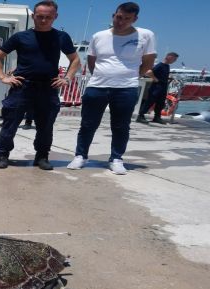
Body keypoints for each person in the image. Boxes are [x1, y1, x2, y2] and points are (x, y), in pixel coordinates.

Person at [66, 2, 156, 175]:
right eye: (118, 17)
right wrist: (102, 75)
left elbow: (148, 61)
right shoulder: (99, 36)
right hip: (97, 87)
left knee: (121, 126)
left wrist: (131, 76)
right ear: (113, 15)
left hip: (126, 88)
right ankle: (80, 155)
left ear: (135, 19)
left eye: (127, 19)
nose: (121, 22)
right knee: (88, 124)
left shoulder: (146, 35)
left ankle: (116, 158)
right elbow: (92, 61)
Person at [0, 0, 80, 170]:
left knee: (46, 126)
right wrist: (3, 77)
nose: (43, 20)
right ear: (33, 16)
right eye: (40, 17)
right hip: (22, 87)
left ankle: (42, 156)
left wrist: (66, 78)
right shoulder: (20, 37)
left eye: (48, 17)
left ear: (55, 17)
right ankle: (2, 154)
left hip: (48, 88)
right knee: (10, 123)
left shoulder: (61, 37)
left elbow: (75, 60)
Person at [136, 52, 179, 124]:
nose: (174, 61)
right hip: (156, 87)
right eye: (174, 59)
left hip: (163, 87)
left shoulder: (167, 66)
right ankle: (140, 116)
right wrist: (155, 79)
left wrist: (168, 78)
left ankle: (157, 117)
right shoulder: (160, 65)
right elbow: (149, 72)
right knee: (150, 101)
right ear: (169, 57)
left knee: (160, 103)